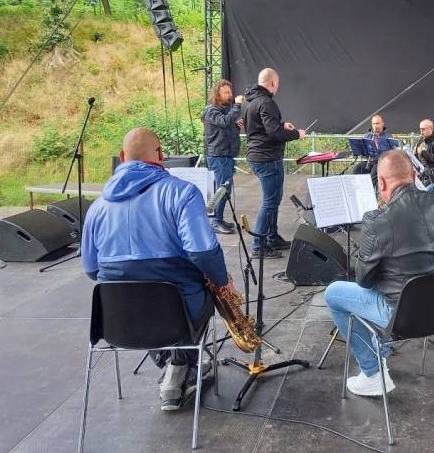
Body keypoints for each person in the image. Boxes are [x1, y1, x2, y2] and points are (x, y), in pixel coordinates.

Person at [81, 128, 236, 411]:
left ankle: (171, 363)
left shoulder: (97, 206)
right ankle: (180, 364)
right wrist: (222, 281)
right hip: (177, 312)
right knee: (197, 295)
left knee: (144, 298)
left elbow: (91, 270)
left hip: (118, 319)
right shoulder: (182, 193)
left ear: (122, 157)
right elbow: (202, 252)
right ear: (161, 155)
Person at [325, 150, 434, 396]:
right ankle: (381, 348)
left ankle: (373, 373)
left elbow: (364, 281)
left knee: (334, 293)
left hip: (403, 319)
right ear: (413, 175)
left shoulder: (377, 220)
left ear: (382, 183)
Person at [244, 68, 306, 257]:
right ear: (273, 83)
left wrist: (281, 124)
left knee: (273, 200)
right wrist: (296, 134)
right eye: (277, 84)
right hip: (267, 157)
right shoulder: (266, 102)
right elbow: (273, 133)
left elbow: (260, 126)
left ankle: (272, 237)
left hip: (257, 155)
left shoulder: (249, 101)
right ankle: (258, 246)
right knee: (270, 201)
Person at [201, 80, 244, 234]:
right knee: (222, 190)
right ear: (217, 94)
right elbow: (224, 122)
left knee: (225, 190)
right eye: (226, 92)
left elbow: (226, 128)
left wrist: (236, 126)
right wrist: (237, 106)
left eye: (230, 92)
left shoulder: (224, 110)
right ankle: (214, 221)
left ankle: (218, 219)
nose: (230, 95)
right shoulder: (211, 110)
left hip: (226, 155)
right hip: (218, 156)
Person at [354, 114, 392, 184]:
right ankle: (359, 188)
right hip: (370, 161)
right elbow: (363, 153)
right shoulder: (367, 136)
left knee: (374, 171)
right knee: (357, 169)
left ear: (382, 124)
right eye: (373, 124)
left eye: (377, 123)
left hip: (382, 162)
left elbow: (392, 153)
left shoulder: (388, 137)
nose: (375, 126)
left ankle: (372, 189)